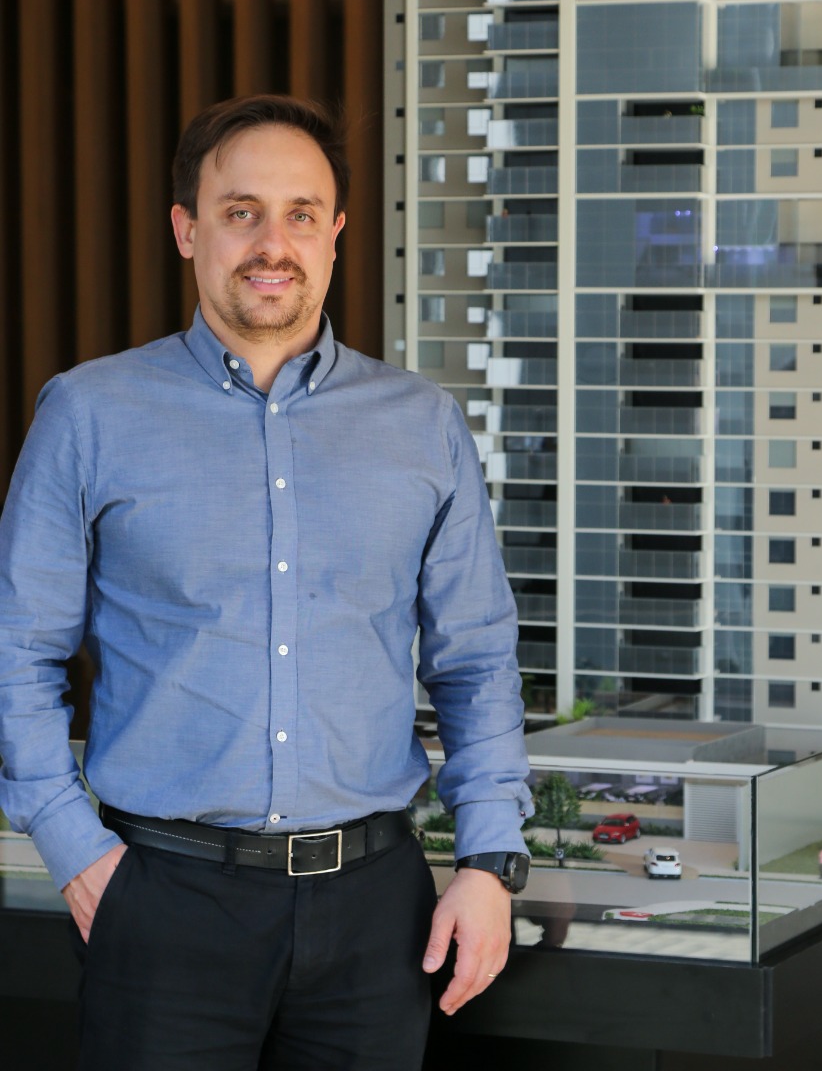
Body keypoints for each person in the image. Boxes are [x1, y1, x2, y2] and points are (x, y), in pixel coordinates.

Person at [0, 95, 533, 1070]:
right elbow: (17, 648)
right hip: (163, 901)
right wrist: (76, 849)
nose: (271, 243)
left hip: (377, 915)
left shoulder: (421, 423)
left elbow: (476, 659)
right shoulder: (88, 413)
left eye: (300, 214)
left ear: (335, 233)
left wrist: (489, 860)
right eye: (240, 211)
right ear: (186, 228)